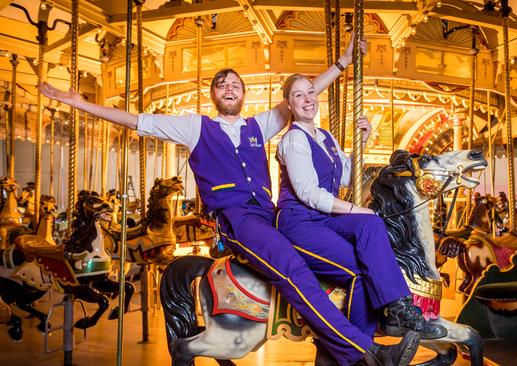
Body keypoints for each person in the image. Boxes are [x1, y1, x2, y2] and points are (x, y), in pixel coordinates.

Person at [38, 37, 421, 366]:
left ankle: (345, 345)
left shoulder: (259, 126)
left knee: (352, 267)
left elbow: (305, 94)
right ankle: (363, 351)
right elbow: (139, 121)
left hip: (269, 216)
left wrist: (343, 62)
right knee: (291, 268)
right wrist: (80, 104)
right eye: (221, 84)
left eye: (234, 82)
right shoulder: (196, 126)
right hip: (237, 220)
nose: (229, 86)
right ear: (215, 95)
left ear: (243, 93)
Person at [275, 74, 448, 362]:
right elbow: (308, 193)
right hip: (299, 221)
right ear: (289, 104)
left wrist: (362, 142)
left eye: (310, 93)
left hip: (323, 218)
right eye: (299, 95)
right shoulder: (294, 139)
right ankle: (355, 353)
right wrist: (356, 208)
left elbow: (346, 176)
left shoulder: (325, 137)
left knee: (371, 223)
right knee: (358, 269)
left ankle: (398, 307)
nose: (308, 100)